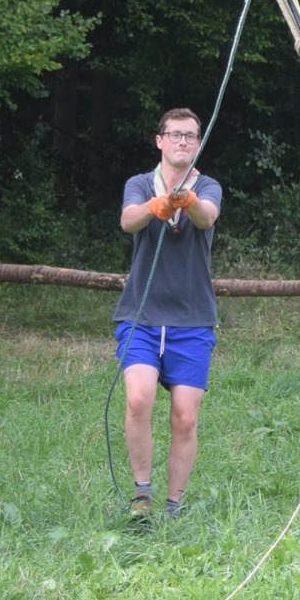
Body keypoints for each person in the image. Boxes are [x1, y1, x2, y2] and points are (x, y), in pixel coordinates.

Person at [114, 107, 222, 521]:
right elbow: (128, 221)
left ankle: (174, 507)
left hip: (193, 320)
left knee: (184, 416)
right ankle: (142, 495)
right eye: (175, 135)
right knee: (138, 398)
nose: (182, 142)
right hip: (139, 315)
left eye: (190, 136)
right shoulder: (140, 184)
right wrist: (155, 207)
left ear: (198, 143)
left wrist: (188, 201)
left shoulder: (208, 185)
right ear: (159, 140)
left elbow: (206, 216)